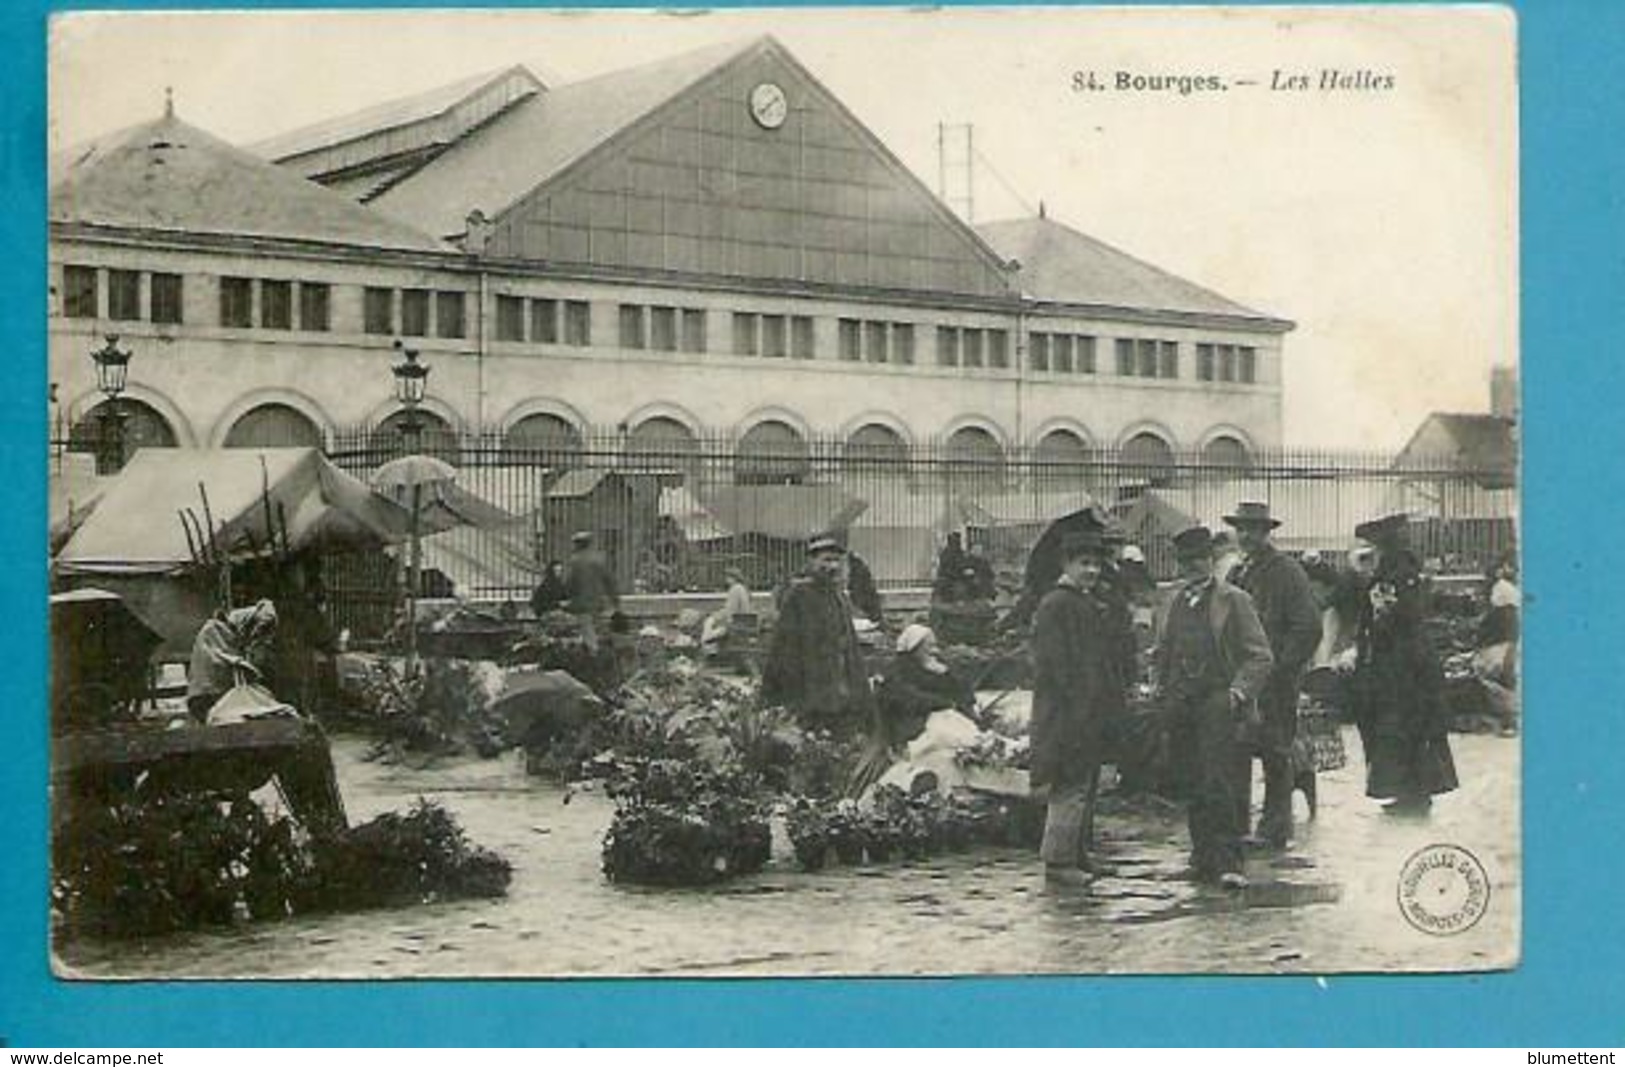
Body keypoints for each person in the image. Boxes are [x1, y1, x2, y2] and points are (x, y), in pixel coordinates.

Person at [1154, 526, 1274, 890]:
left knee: (1220, 782)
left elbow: (1260, 656)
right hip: (1181, 702)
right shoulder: (1172, 601)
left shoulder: (1233, 599)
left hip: (1217, 702)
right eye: (1186, 561)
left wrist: (1237, 693)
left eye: (1200, 560)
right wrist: (1161, 686)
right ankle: (1202, 857)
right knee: (1191, 780)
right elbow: (1165, 650)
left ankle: (1228, 861)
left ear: (1212, 560)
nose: (1193, 567)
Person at [1030, 530, 1135, 886]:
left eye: (1096, 564)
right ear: (1067, 565)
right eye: (1084, 564)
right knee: (1069, 788)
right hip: (1066, 712)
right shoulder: (1056, 605)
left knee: (1085, 785)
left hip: (1088, 710)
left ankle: (1078, 854)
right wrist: (1078, 706)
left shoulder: (1085, 602)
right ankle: (1058, 862)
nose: (1091, 571)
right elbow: (1056, 667)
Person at [1225, 501, 1323, 849]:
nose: (1246, 535)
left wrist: (1282, 668)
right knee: (1236, 750)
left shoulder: (1286, 571)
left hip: (1276, 680)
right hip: (1242, 678)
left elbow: (1309, 626)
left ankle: (1275, 829)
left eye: (1253, 529)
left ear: (1267, 533)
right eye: (1241, 528)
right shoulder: (1237, 573)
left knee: (1275, 750)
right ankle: (1235, 824)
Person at [1350, 513, 1459, 815]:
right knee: (1406, 729)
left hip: (1403, 667)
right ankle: (1411, 792)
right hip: (1408, 664)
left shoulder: (1395, 571)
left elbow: (1391, 618)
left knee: (1403, 729)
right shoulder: (1400, 568)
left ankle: (1413, 795)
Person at [761, 534, 876, 737]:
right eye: (826, 560)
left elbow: (850, 646)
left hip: (839, 685)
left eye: (836, 560)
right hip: (811, 687)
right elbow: (783, 645)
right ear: (812, 562)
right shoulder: (800, 595)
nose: (832, 566)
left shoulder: (838, 596)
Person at [877, 623, 976, 746]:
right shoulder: (899, 669)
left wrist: (946, 673)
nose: (934, 650)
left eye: (935, 645)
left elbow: (962, 689)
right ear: (915, 647)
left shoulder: (932, 663)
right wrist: (946, 703)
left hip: (937, 714)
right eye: (929, 645)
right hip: (913, 723)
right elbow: (911, 698)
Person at [186, 599, 279, 723]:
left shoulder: (236, 638)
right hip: (206, 697)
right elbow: (217, 661)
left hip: (227, 698)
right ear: (247, 625)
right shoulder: (213, 630)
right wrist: (241, 665)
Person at [1473, 552, 1520, 736]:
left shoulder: (1501, 589)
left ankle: (1509, 720)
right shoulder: (1505, 588)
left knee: (1496, 677)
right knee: (1504, 677)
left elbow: (1499, 616)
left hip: (1499, 639)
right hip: (1504, 638)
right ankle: (1509, 719)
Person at [563, 531, 619, 648]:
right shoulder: (599, 559)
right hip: (598, 602)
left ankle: (593, 654)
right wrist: (614, 600)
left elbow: (570, 584)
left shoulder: (575, 561)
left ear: (578, 545)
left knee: (587, 632)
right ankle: (597, 653)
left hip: (581, 603)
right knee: (596, 630)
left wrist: (566, 597)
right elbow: (609, 581)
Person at [934, 532, 969, 602]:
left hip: (952, 578)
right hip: (950, 579)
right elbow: (948, 569)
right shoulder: (948, 554)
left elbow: (964, 564)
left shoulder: (957, 553)